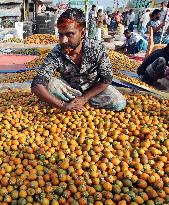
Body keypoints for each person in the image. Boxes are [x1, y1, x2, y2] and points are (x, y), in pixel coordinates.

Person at [31, 8, 126, 112]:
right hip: (69, 90)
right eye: (61, 34)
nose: (63, 40)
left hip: (92, 91)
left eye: (69, 34)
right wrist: (61, 105)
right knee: (51, 85)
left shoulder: (97, 48)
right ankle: (74, 104)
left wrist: (84, 98)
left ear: (82, 33)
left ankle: (79, 103)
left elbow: (106, 78)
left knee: (118, 102)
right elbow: (37, 83)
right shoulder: (57, 52)